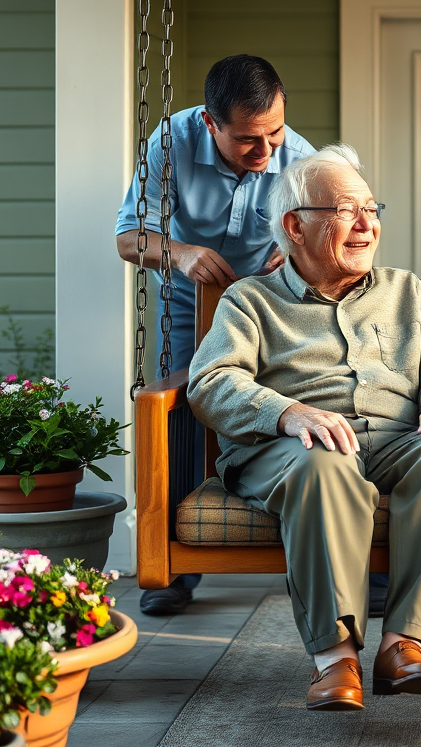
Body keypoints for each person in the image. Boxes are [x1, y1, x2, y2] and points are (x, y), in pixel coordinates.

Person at [187, 144, 421, 712]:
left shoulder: (406, 292)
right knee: (324, 461)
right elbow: (212, 381)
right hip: (290, 447)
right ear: (295, 227)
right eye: (347, 211)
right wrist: (288, 412)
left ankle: (403, 646)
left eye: (371, 209)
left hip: (397, 441)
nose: (366, 224)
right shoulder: (250, 301)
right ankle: (336, 658)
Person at [115, 54, 315, 615]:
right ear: (210, 123)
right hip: (189, 301)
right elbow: (129, 238)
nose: (267, 151)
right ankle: (178, 568)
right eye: (249, 140)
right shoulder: (170, 143)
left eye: (275, 132)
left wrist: (295, 254)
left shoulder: (299, 158)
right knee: (185, 415)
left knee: (299, 400)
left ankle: (328, 548)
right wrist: (179, 252)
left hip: (274, 303)